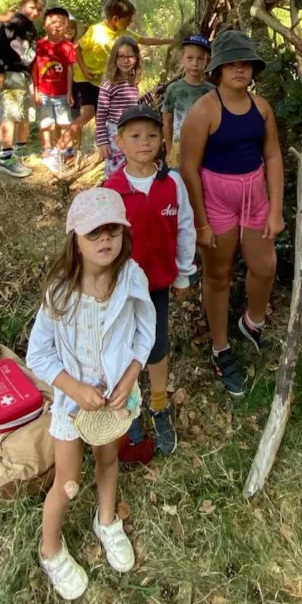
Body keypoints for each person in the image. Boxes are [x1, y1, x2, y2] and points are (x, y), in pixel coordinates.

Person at [26, 187, 155, 602]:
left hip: (115, 401)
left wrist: (131, 375)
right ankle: (50, 550)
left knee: (109, 458)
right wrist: (75, 389)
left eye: (113, 230)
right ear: (75, 240)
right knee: (67, 481)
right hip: (71, 405)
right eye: (94, 232)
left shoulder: (131, 278)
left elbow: (146, 331)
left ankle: (106, 519)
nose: (105, 240)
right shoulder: (61, 291)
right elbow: (38, 354)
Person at [180, 29, 285, 397]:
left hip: (254, 196)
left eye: (246, 64)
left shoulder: (261, 108)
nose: (239, 70)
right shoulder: (204, 110)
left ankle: (252, 321)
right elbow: (188, 167)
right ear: (218, 70)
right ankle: (220, 347)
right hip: (216, 199)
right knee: (218, 274)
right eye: (231, 64)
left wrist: (276, 209)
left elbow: (273, 155)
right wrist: (200, 222)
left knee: (265, 265)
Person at [103, 105, 196, 459]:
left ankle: (159, 406)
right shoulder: (112, 188)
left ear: (162, 140)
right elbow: (101, 240)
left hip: (157, 285)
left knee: (157, 345)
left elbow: (185, 228)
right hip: (120, 288)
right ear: (119, 142)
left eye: (152, 135)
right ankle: (128, 407)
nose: (145, 142)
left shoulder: (172, 183)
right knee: (122, 346)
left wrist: (184, 273)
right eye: (135, 136)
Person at [69, 0, 171, 154]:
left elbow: (145, 40)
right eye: (128, 20)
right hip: (85, 78)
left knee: (103, 111)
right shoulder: (96, 31)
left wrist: (170, 40)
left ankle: (79, 150)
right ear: (115, 19)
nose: (130, 23)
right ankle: (64, 145)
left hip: (104, 79)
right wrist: (83, 69)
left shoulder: (123, 33)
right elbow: (76, 48)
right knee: (91, 113)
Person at [0, 0, 47, 178]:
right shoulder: (14, 22)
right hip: (10, 72)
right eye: (32, 7)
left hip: (24, 74)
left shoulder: (31, 27)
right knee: (10, 113)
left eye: (40, 10)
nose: (36, 12)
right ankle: (5, 157)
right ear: (22, 4)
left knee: (23, 114)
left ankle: (17, 151)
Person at [95, 36, 148, 177]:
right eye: (121, 56)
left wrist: (152, 95)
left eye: (130, 56)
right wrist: (102, 141)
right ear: (114, 58)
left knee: (131, 166)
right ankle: (113, 188)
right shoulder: (109, 83)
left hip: (131, 129)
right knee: (116, 169)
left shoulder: (131, 80)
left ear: (137, 58)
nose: (126, 60)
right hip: (115, 132)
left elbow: (133, 106)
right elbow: (101, 115)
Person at [34, 6, 77, 175]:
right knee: (45, 123)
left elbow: (70, 70)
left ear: (66, 26)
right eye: (53, 21)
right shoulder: (38, 45)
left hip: (62, 93)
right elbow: (35, 69)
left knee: (64, 122)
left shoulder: (68, 46)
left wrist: (69, 92)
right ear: (44, 24)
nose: (58, 25)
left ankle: (67, 150)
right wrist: (35, 90)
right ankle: (47, 149)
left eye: (62, 23)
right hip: (43, 92)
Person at [161, 34, 212, 164]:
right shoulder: (173, 89)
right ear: (182, 58)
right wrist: (169, 151)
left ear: (207, 60)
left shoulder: (212, 91)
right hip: (178, 150)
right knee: (178, 176)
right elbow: (166, 121)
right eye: (190, 58)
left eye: (200, 59)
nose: (195, 63)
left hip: (206, 151)